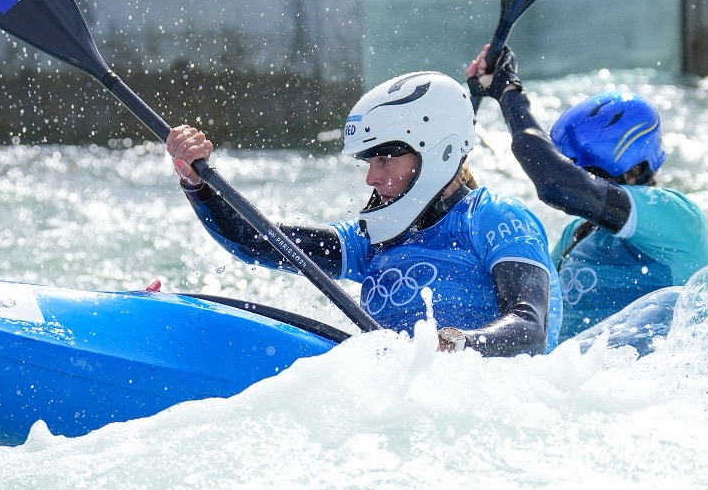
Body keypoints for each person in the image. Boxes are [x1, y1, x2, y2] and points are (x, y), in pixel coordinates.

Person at [166, 72, 561, 355]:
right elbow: (253, 241)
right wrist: (198, 185)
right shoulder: (369, 238)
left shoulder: (495, 217)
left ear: (436, 151)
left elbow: (530, 327)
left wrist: (456, 345)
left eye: (385, 159)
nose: (371, 177)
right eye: (368, 161)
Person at [466, 47, 708, 342]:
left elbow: (556, 185)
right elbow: (538, 308)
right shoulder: (577, 235)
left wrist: (510, 92)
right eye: (572, 168)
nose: (578, 179)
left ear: (633, 171)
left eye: (586, 172)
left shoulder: (678, 218)